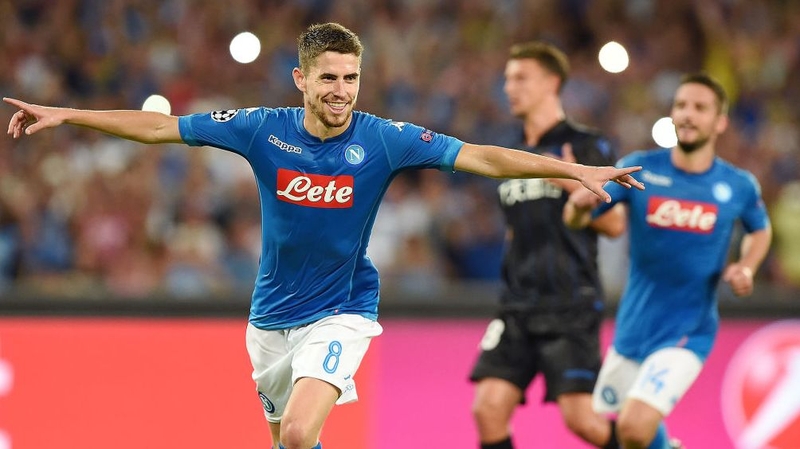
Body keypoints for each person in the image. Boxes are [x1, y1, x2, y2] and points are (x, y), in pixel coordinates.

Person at [5, 22, 644, 449]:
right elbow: (159, 127)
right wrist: (68, 115)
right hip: (268, 320)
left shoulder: (384, 139)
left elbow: (481, 156)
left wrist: (570, 170)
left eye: (351, 78)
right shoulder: (261, 128)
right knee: (289, 442)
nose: (342, 92)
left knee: (297, 432)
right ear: (302, 79)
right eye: (330, 78)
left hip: (342, 310)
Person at [564, 72, 772, 449]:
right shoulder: (640, 168)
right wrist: (578, 206)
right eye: (681, 105)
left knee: (633, 427)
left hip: (688, 330)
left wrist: (747, 267)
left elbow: (760, 230)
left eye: (700, 107)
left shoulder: (738, 185)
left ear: (720, 122)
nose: (688, 114)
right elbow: (578, 219)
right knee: (630, 433)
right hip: (634, 328)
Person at [469, 41, 623, 449]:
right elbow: (515, 227)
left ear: (552, 82)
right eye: (507, 79)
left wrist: (567, 181)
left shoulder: (586, 145)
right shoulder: (510, 151)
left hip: (569, 302)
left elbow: (615, 223)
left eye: (521, 78)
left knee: (583, 421)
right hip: (517, 304)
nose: (509, 88)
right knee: (487, 409)